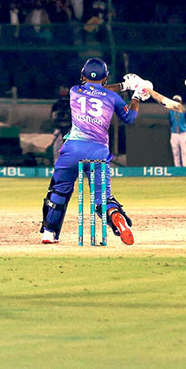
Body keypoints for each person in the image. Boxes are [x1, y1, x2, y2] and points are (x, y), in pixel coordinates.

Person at [40, 58, 148, 245]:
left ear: (82, 75)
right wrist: (136, 94)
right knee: (102, 198)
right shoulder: (112, 97)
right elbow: (129, 118)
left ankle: (49, 233)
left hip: (72, 149)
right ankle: (116, 217)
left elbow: (95, 89)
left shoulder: (75, 91)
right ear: (105, 78)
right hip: (98, 151)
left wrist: (124, 85)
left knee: (59, 191)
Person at [51, 84, 72, 163]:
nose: (63, 91)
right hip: (59, 128)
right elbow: (53, 117)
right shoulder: (57, 104)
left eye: (65, 89)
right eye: (61, 89)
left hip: (70, 128)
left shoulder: (72, 103)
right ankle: (57, 163)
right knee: (57, 147)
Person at [169, 95, 186, 167]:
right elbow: (170, 122)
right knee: (175, 152)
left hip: (183, 133)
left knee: (184, 152)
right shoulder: (171, 112)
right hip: (174, 133)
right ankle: (177, 167)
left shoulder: (184, 111)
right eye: (174, 101)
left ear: (180, 102)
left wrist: (184, 129)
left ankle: (185, 167)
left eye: (177, 101)